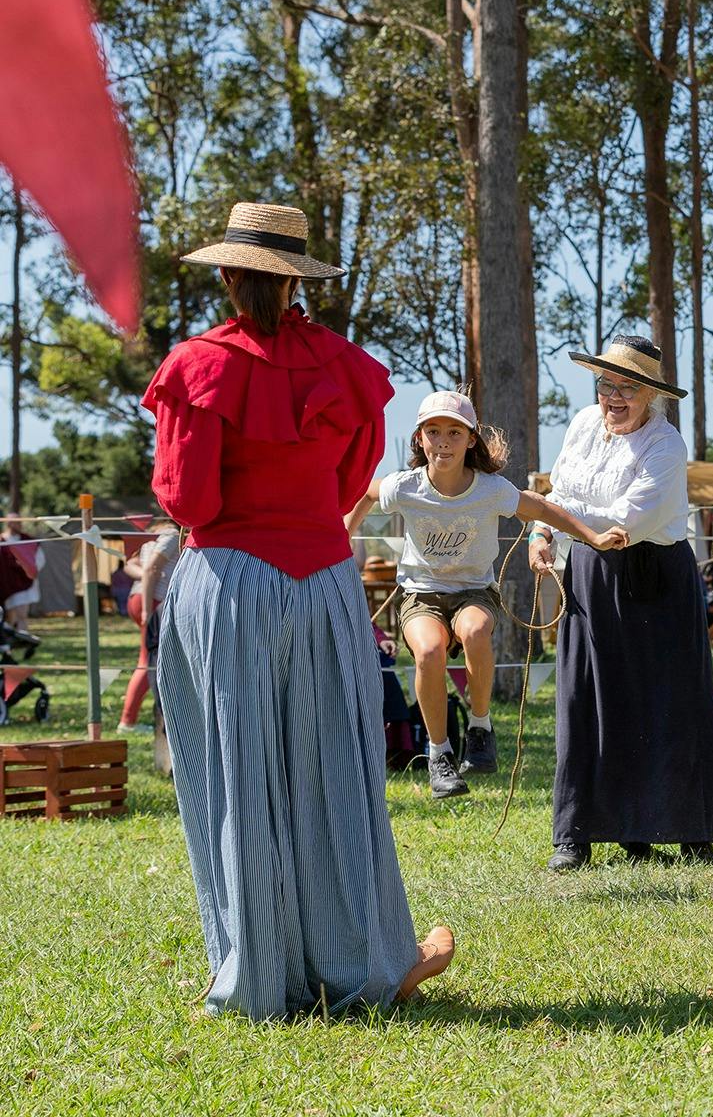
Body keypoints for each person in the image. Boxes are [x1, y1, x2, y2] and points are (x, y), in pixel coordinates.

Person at [145, 201, 451, 1019]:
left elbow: (187, 497)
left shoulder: (197, 366)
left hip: (229, 582)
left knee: (240, 778)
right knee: (338, 779)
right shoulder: (347, 366)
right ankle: (366, 964)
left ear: (226, 274)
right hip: (322, 584)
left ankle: (255, 975)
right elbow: (350, 483)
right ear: (297, 281)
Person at [529, 336, 713, 869]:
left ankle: (691, 829)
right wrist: (541, 529)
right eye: (608, 384)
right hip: (587, 573)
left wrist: (550, 512)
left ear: (651, 394)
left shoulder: (666, 444)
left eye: (629, 387)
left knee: (671, 703)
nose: (615, 397)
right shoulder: (581, 424)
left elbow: (629, 520)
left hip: (654, 575)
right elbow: (558, 489)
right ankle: (575, 834)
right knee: (585, 699)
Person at [345, 391, 626, 800]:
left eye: (454, 432)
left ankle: (480, 727)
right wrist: (342, 536)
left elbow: (543, 508)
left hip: (475, 590)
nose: (443, 441)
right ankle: (439, 754)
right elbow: (367, 494)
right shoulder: (405, 486)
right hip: (421, 593)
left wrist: (594, 537)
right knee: (427, 653)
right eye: (434, 431)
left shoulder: (490, 490)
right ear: (419, 439)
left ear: (471, 440)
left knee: (476, 631)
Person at [118, 519, 181, 733]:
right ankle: (128, 721)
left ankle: (133, 718)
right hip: (152, 601)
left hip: (140, 597)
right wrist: (147, 608)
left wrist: (146, 576)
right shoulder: (172, 535)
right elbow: (151, 568)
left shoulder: (152, 536)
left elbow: (131, 565)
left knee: (148, 660)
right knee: (148, 662)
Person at [0, 514, 44, 630]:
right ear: (9, 523)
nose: (20, 525)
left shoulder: (28, 540)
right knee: (9, 618)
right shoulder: (1, 540)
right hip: (5, 584)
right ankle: (9, 644)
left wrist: (28, 569)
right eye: (17, 522)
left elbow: (39, 560)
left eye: (20, 522)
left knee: (22, 615)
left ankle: (23, 639)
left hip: (23, 583)